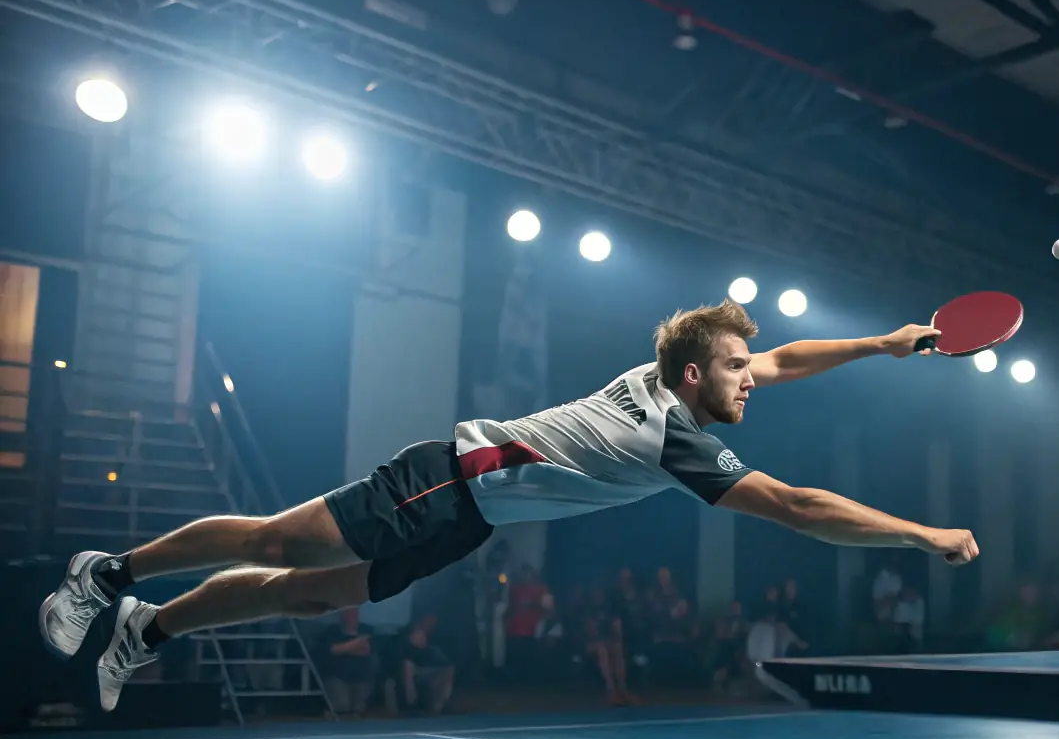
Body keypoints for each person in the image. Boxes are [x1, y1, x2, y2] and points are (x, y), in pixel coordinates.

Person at [38, 300, 979, 711]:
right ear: (694, 375)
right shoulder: (675, 438)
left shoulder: (668, 378)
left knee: (308, 594)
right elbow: (801, 506)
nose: (752, 378)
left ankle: (146, 630)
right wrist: (920, 533)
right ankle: (106, 576)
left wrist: (880, 344)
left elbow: (785, 357)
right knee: (282, 543)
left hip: (471, 517)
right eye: (736, 368)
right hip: (448, 477)